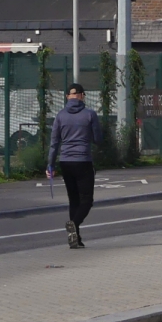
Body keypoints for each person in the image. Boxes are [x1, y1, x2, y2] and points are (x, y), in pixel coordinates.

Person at [47, 83, 103, 248]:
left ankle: (75, 239)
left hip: (65, 162)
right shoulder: (90, 114)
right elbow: (98, 139)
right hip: (83, 161)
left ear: (67, 97)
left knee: (74, 200)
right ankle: (74, 224)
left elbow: (54, 142)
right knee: (86, 200)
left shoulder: (60, 116)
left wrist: (50, 164)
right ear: (82, 95)